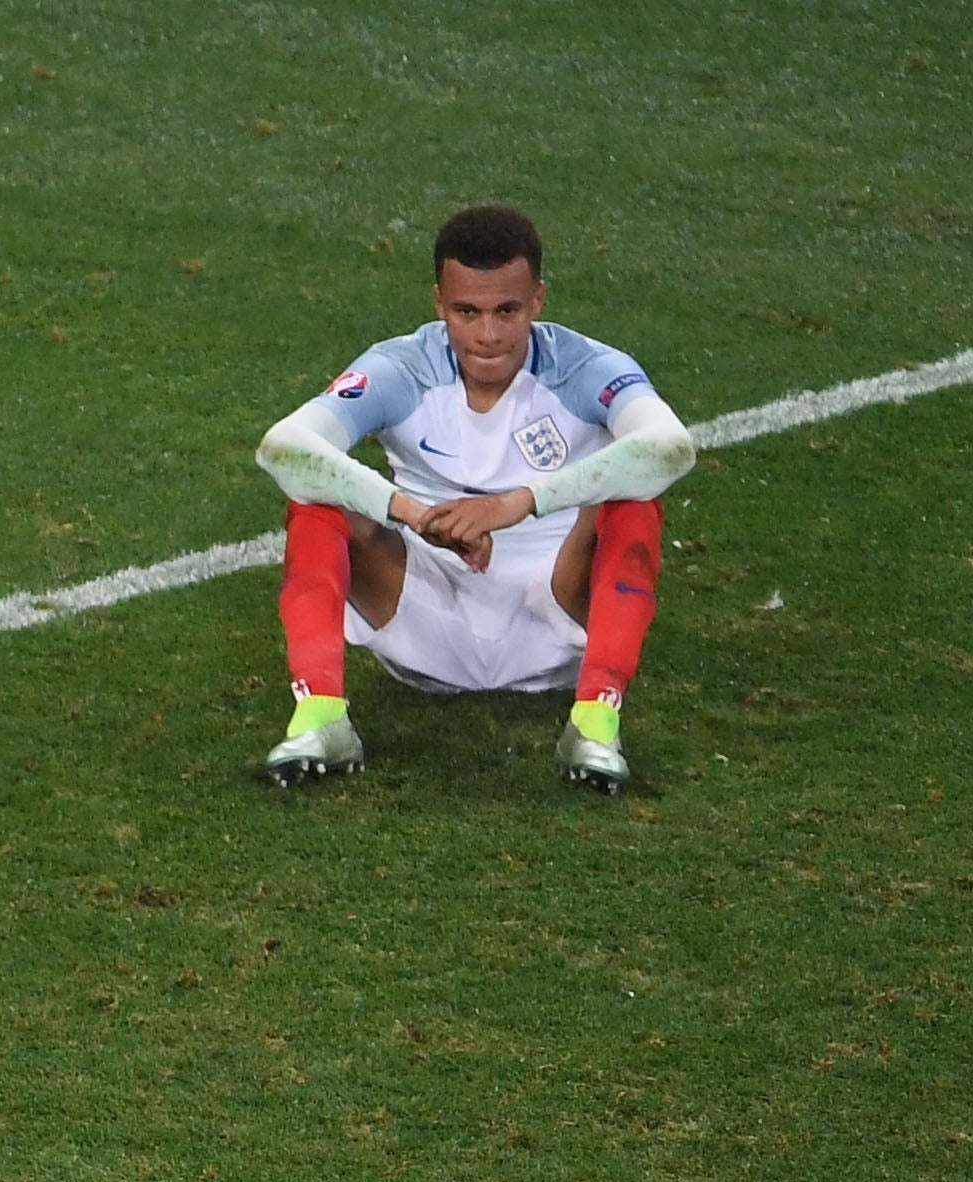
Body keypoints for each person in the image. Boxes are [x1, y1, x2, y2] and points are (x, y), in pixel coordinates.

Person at [255, 204, 698, 793]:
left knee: (633, 497)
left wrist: (518, 503)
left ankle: (595, 722)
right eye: (467, 312)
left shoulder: (588, 367)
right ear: (439, 303)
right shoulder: (400, 368)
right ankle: (321, 717)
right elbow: (283, 447)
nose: (487, 335)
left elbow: (669, 448)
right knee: (316, 498)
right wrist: (410, 512)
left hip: (553, 614)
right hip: (423, 607)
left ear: (538, 301)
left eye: (507, 311)